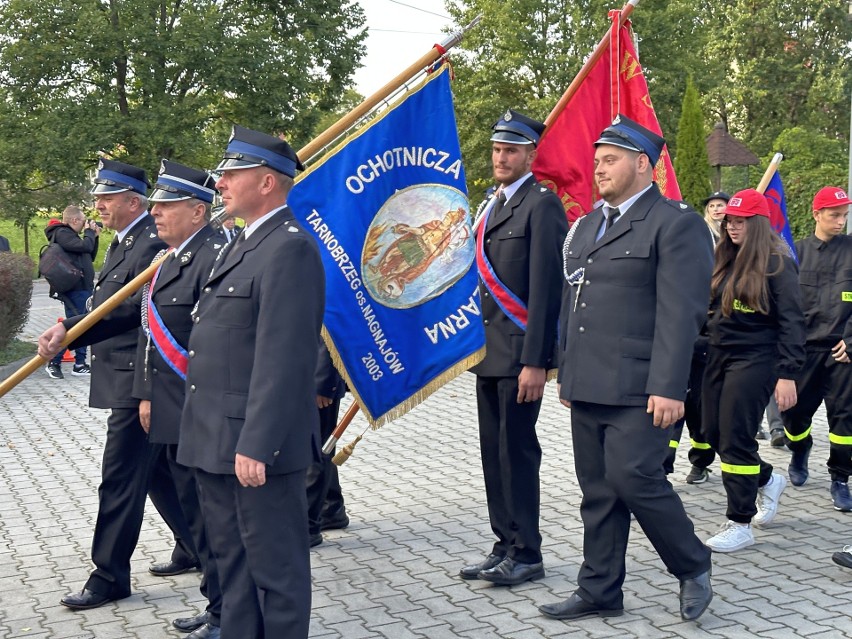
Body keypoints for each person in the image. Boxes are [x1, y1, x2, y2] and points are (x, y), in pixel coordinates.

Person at [542, 115, 714, 622]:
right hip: (590, 382)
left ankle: (692, 562)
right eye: (596, 161)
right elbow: (576, 304)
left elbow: (681, 313)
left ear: (643, 164)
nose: (598, 169)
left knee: (634, 477)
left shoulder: (675, 222)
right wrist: (568, 373)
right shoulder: (590, 224)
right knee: (596, 489)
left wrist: (668, 386)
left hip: (642, 387)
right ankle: (599, 589)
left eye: (609, 160)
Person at [177, 125, 324, 639]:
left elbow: (283, 358)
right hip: (216, 438)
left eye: (231, 174)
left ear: (266, 182)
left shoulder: (290, 249)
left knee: (275, 572)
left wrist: (257, 443)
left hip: (256, 446)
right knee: (233, 571)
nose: (220, 182)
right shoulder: (238, 244)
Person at [38, 159, 196, 610]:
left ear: (134, 201)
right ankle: (196, 544)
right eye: (97, 198)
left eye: (107, 198)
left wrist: (70, 330)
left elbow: (130, 312)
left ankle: (109, 575)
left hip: (141, 379)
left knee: (120, 477)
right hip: (126, 374)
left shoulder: (152, 243)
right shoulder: (125, 240)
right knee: (160, 471)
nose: (98, 205)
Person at [461, 109, 567, 587]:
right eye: (497, 150)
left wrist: (537, 360)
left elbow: (548, 289)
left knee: (517, 452)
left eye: (512, 151)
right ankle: (504, 541)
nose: (502, 158)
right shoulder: (491, 206)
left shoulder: (542, 205)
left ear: (530, 155)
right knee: (492, 452)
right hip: (489, 354)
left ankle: (528, 553)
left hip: (520, 355)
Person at [702, 189, 805, 553]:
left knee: (735, 438)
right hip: (718, 356)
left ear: (758, 224)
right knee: (712, 433)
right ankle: (767, 478)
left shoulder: (778, 262)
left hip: (756, 360)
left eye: (740, 221)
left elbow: (793, 322)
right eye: (729, 219)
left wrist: (788, 373)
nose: (732, 226)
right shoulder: (723, 257)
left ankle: (739, 521)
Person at [780, 186, 852, 511]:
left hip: (842, 351)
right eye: (835, 215)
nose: (841, 221)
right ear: (817, 214)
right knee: (792, 415)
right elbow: (784, 306)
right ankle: (800, 448)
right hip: (803, 352)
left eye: (844, 215)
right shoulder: (795, 253)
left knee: (844, 421)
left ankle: (840, 477)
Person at [43, 205, 99, 379]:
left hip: (82, 288)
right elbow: (84, 247)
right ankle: (54, 362)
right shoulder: (62, 233)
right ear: (74, 220)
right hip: (74, 289)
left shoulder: (72, 237)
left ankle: (80, 363)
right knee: (74, 327)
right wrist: (89, 234)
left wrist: (94, 237)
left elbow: (89, 254)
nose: (85, 225)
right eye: (83, 221)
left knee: (83, 325)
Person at [306, 343, 349, 548]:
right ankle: (331, 508)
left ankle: (307, 525)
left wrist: (323, 383)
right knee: (319, 446)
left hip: (315, 379)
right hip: (303, 374)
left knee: (314, 450)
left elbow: (330, 330)